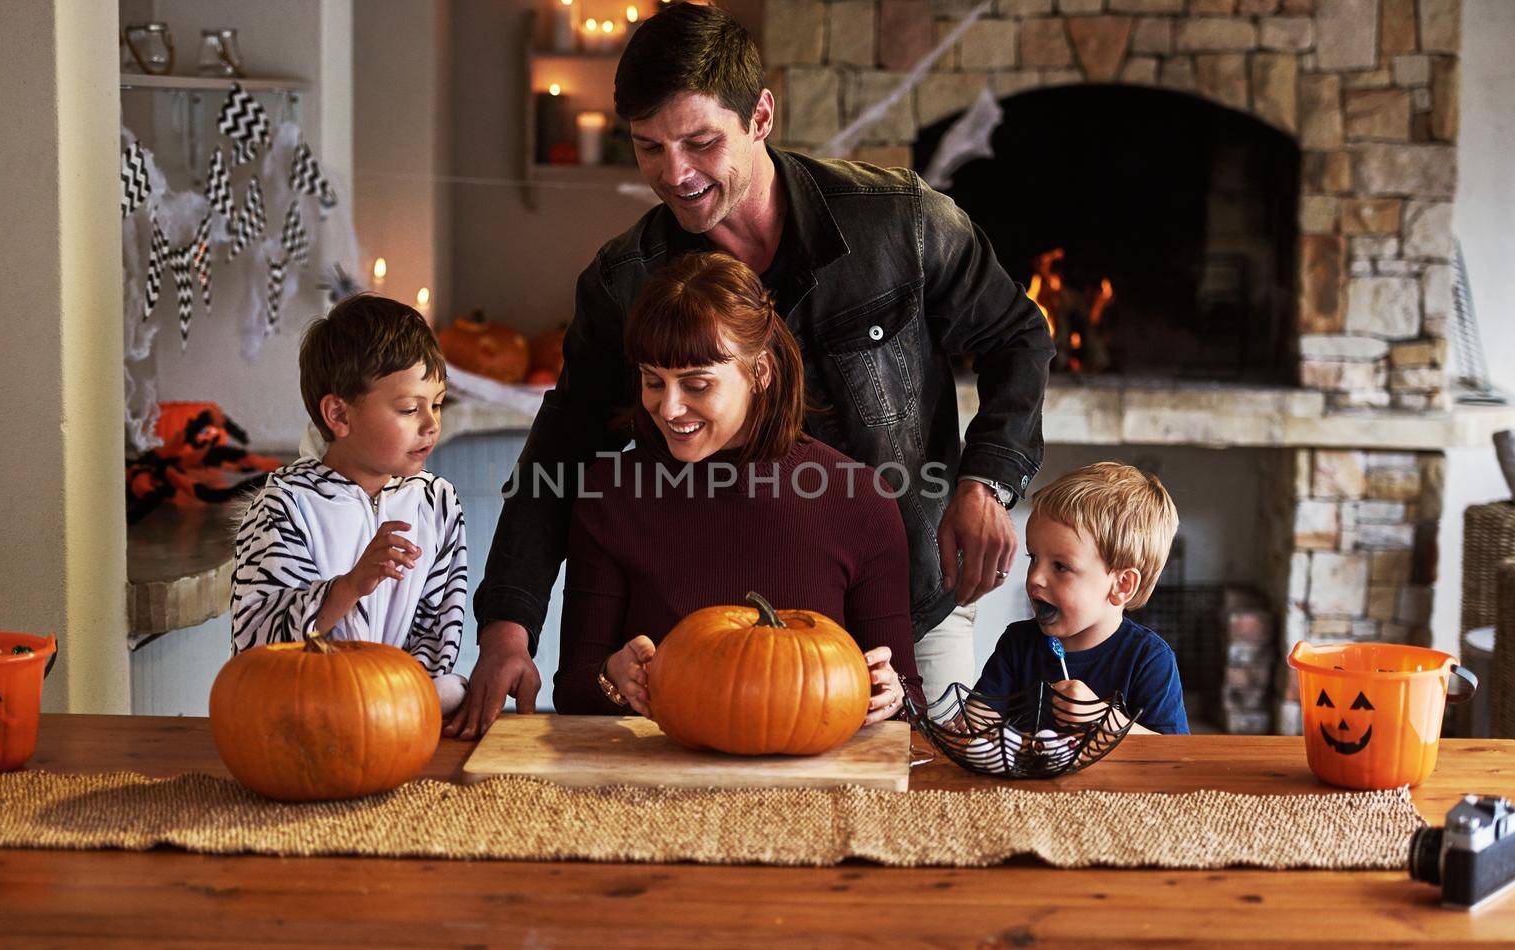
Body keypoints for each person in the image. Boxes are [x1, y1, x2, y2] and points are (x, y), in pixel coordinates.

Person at [450, 3, 1053, 737]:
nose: (675, 175)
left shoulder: (901, 221)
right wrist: (509, 624)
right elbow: (560, 451)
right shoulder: (623, 282)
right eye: (649, 148)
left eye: (701, 143)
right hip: (708, 640)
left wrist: (986, 482)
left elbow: (1019, 334)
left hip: (901, 618)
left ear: (760, 116)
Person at [552, 252, 918, 722]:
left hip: (810, 784)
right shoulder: (611, 495)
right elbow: (574, 687)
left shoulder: (861, 502)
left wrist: (891, 694)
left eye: (697, 385)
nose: (668, 408)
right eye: (653, 382)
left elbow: (906, 694)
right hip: (661, 779)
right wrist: (612, 677)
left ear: (759, 372)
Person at [231, 294, 470, 715]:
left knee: (451, 690)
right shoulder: (283, 505)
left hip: (394, 710)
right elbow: (259, 646)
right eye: (409, 408)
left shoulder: (438, 503)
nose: (432, 424)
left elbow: (436, 632)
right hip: (302, 708)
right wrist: (349, 587)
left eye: (436, 404)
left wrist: (395, 701)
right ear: (339, 416)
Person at [973, 462, 1188, 735]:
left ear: (1122, 585)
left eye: (1060, 567)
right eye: (1033, 558)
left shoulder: (1149, 659)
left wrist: (1102, 716)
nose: (1035, 578)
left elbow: (1172, 756)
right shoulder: (1018, 644)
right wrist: (972, 722)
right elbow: (980, 718)